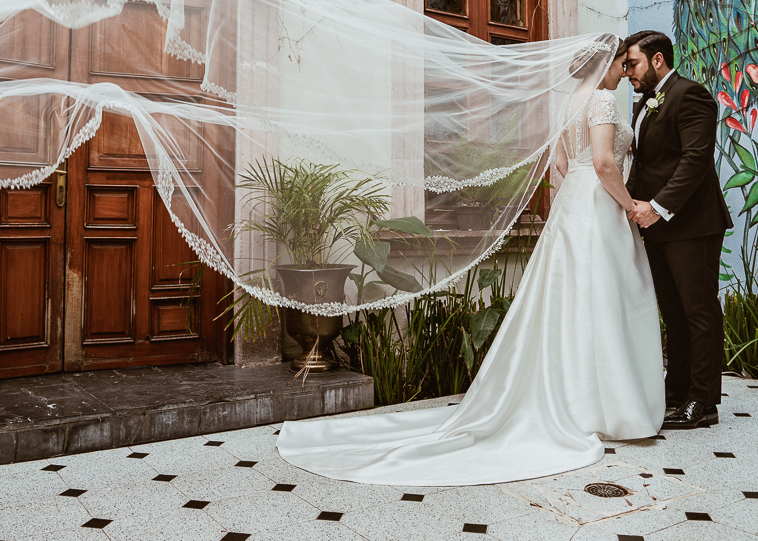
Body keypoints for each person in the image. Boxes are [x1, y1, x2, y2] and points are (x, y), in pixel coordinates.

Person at [276, 36, 664, 486]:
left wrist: (584, 188)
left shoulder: (567, 103)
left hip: (573, 205)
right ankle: (605, 404)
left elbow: (561, 164)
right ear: (608, 64)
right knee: (602, 299)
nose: (626, 72)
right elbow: (604, 164)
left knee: (567, 300)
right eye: (623, 64)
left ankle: (575, 398)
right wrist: (630, 206)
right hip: (600, 205)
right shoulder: (601, 101)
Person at [621, 30, 732, 430]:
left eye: (632, 63)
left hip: (692, 224)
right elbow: (646, 165)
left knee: (699, 312)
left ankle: (703, 402)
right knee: (673, 313)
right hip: (655, 226)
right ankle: (676, 393)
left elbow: (696, 158)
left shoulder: (691, 95)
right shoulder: (644, 102)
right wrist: (627, 205)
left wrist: (658, 207)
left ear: (657, 60)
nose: (627, 72)